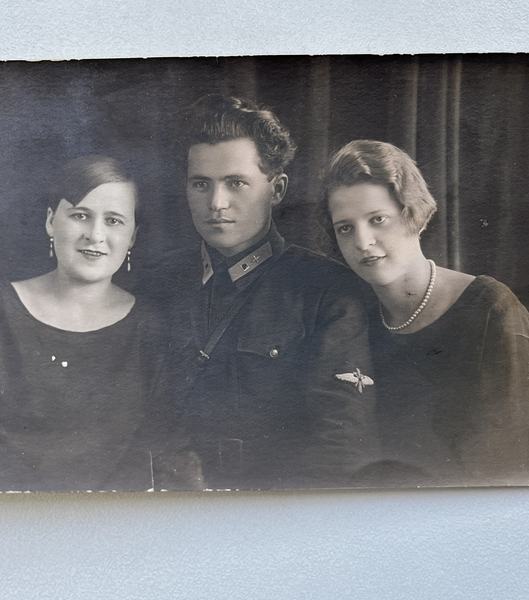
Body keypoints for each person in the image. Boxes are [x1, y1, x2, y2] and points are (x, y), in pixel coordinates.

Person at [0, 155, 199, 493]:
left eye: (114, 221)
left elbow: (170, 451)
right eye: (80, 215)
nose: (95, 235)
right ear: (51, 222)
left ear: (132, 237)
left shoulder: (150, 330)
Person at [161, 95, 378, 490]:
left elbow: (341, 445)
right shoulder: (157, 282)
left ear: (277, 189)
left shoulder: (326, 290)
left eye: (236, 183)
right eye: (201, 184)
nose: (216, 203)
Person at [319, 139, 529, 486]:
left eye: (378, 219)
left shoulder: (490, 309)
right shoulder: (348, 311)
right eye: (346, 227)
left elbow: (509, 462)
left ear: (413, 215)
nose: (363, 242)